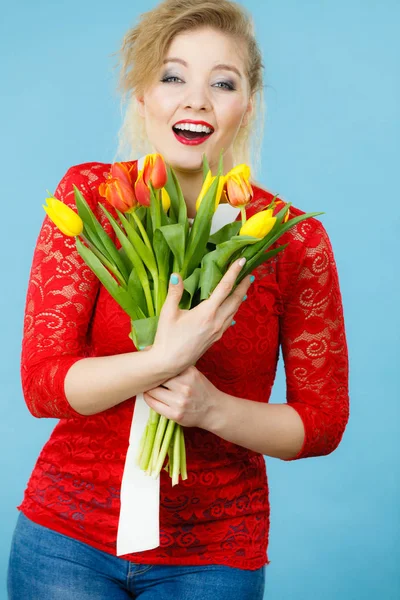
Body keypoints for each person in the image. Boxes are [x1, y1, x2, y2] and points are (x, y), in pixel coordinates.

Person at [7, 0, 350, 598]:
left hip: (215, 556)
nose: (197, 99)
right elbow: (41, 385)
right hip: (66, 541)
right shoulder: (92, 198)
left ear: (246, 107)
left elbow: (320, 425)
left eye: (223, 83)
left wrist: (210, 409)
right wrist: (161, 362)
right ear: (143, 95)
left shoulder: (292, 240)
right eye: (173, 76)